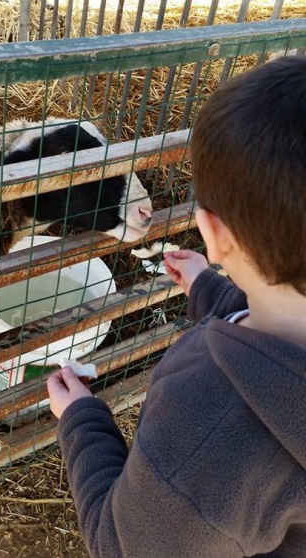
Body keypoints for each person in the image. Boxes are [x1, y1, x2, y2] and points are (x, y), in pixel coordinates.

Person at [47, 55, 306, 557]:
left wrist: (80, 417)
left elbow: (119, 545)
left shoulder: (206, 434)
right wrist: (211, 291)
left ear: (212, 234)